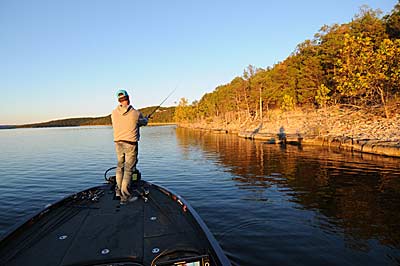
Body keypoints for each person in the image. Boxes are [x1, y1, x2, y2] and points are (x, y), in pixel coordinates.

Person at [111, 89, 148, 204]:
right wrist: (146, 119)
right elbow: (143, 122)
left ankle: (118, 191)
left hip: (118, 143)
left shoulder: (113, 113)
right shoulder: (135, 113)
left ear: (119, 100)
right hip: (130, 144)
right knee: (128, 169)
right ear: (128, 98)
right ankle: (125, 196)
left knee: (119, 167)